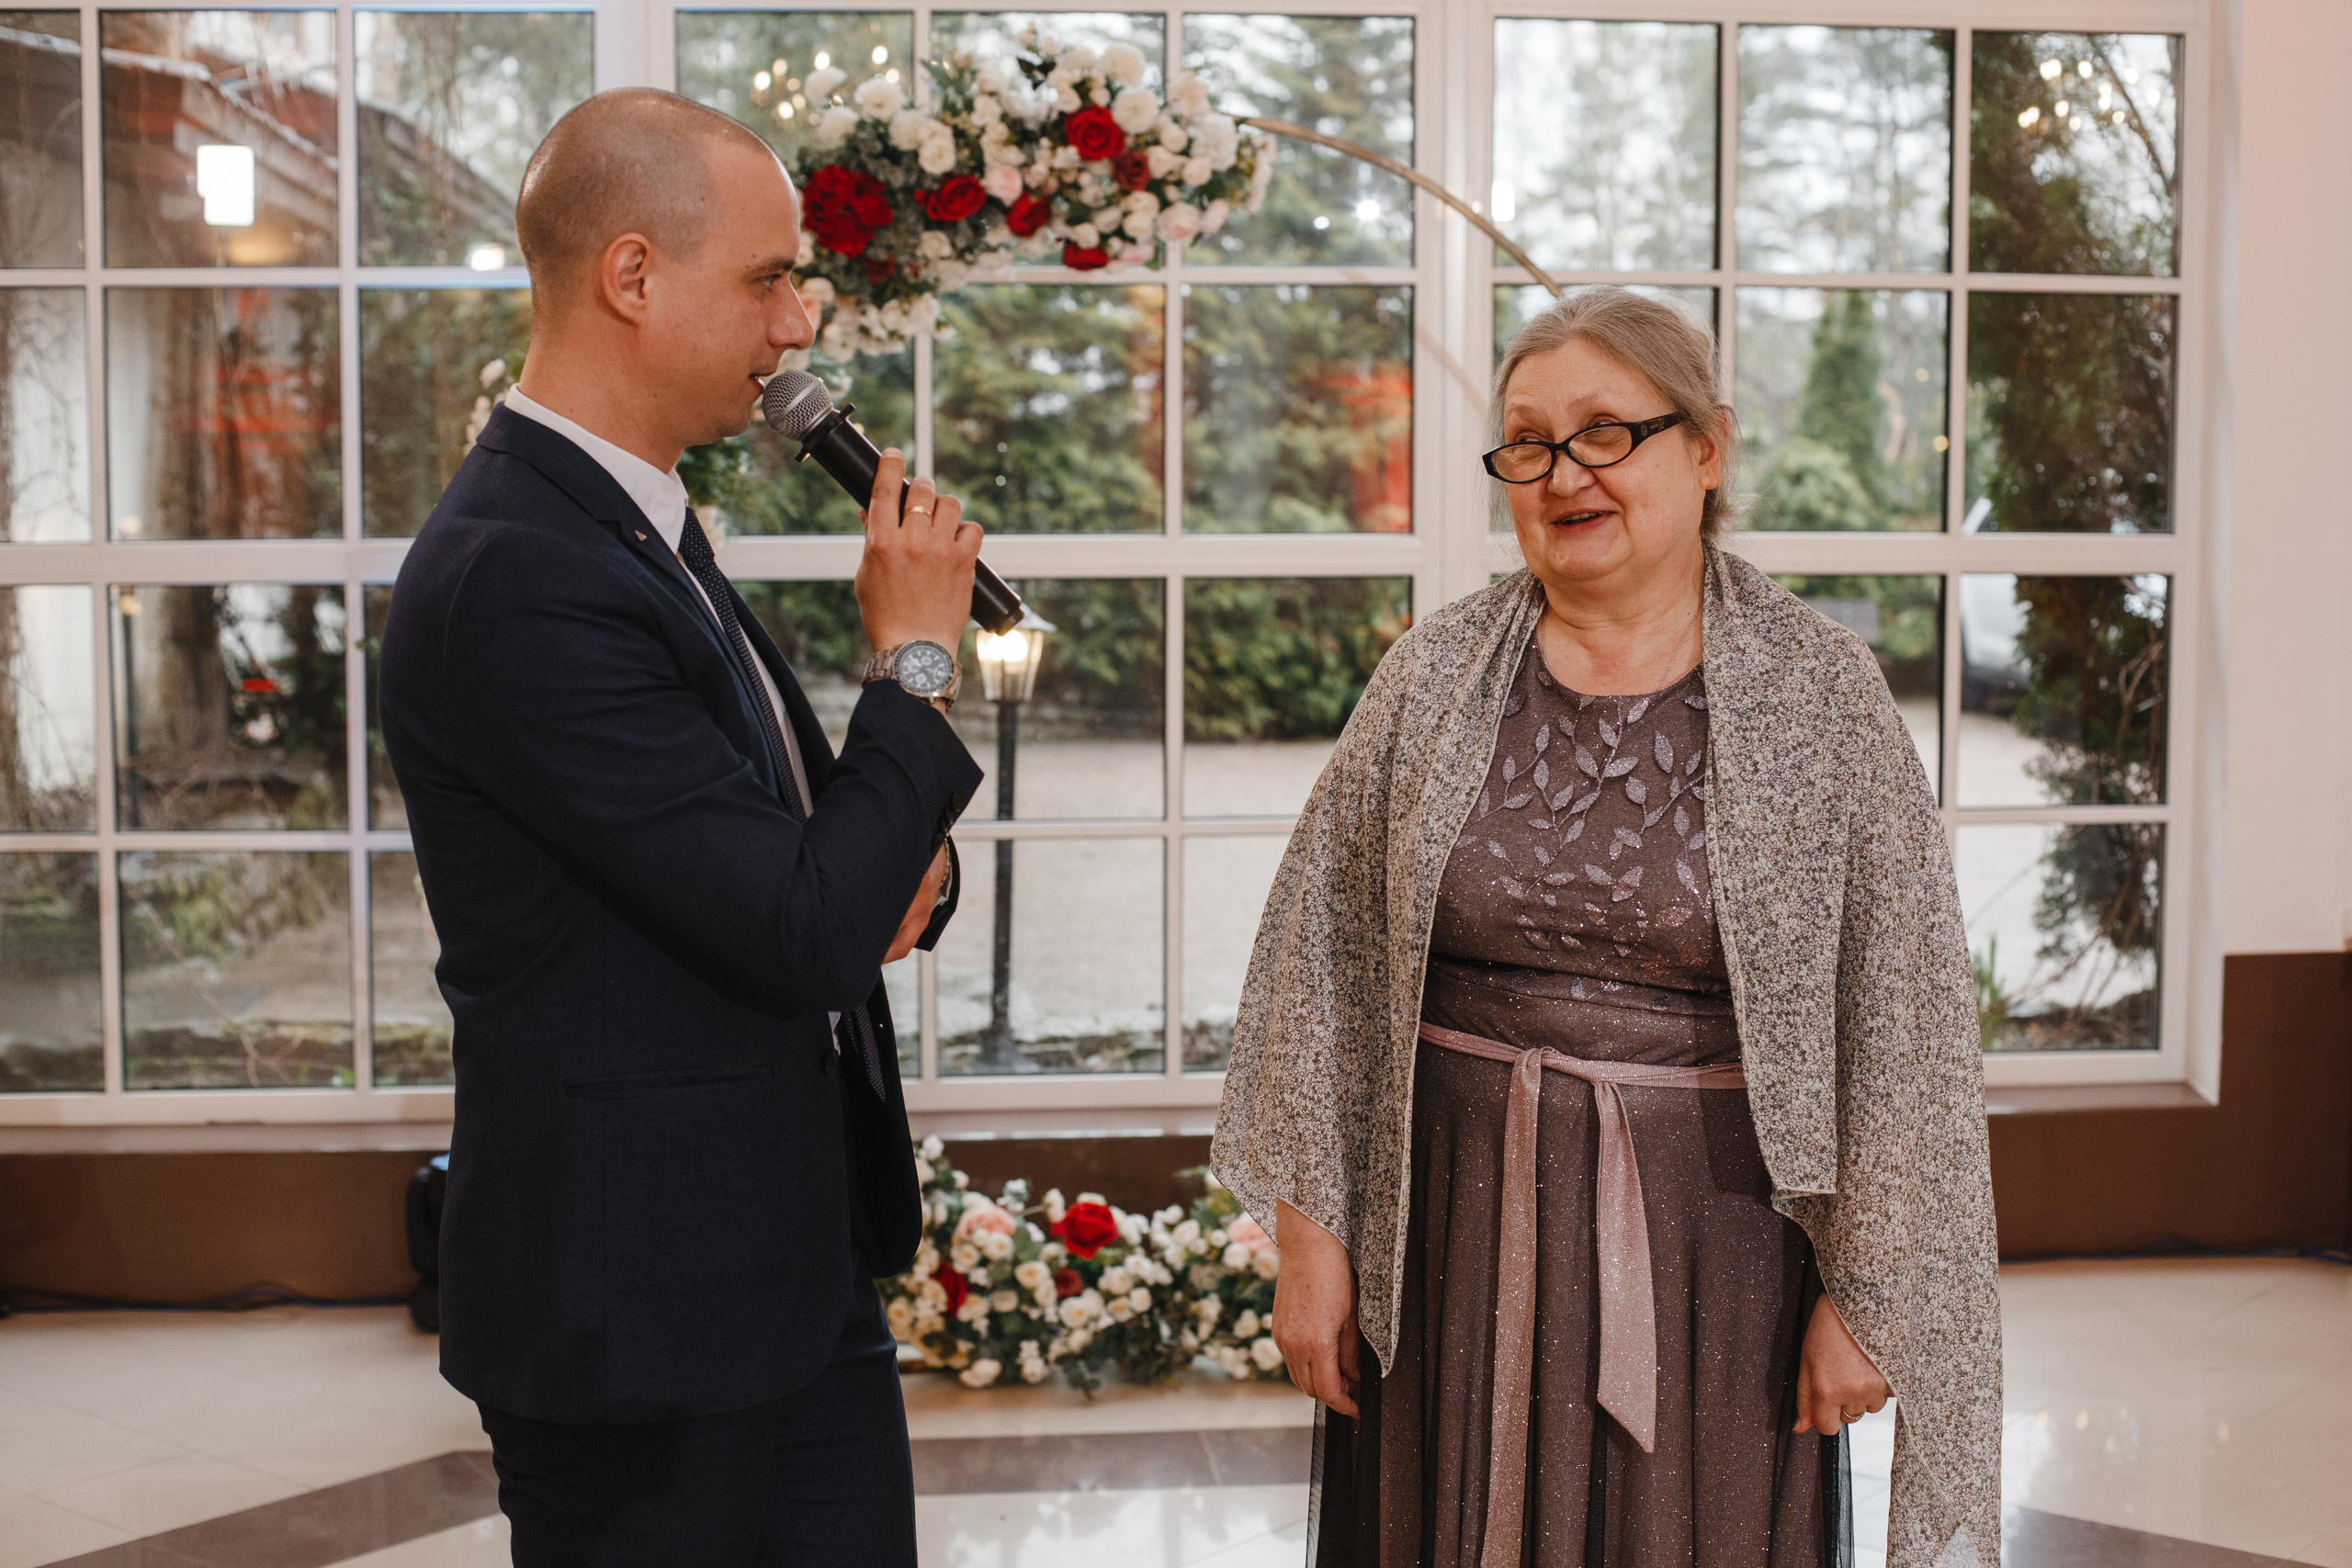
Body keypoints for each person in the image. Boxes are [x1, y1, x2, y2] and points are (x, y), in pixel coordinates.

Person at [1211, 288, 2002, 1568]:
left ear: (1706, 449)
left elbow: (1905, 1020)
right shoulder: (1431, 674)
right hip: (1449, 1235)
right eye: (1527, 442)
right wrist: (1311, 1241)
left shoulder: (1821, 696)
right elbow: (1317, 970)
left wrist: (1869, 1297)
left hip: (1717, 1252)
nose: (1561, 473)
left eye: (1602, 433)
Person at [379, 89, 984, 1566]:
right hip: (641, 1304)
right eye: (770, 280)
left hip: (778, 1263)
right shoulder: (516, 570)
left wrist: (909, 861)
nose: (797, 330)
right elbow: (796, 923)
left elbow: (781, 837)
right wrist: (914, 665)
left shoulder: (634, 520)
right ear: (632, 277)